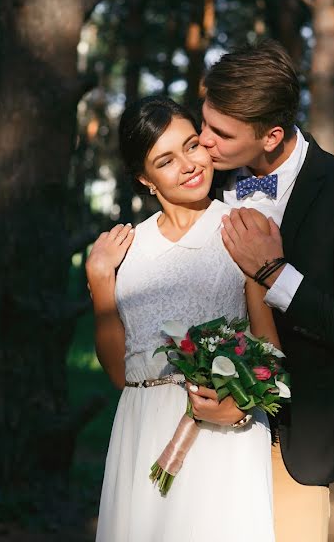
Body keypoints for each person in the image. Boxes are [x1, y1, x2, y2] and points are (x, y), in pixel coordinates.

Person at [187, 39, 334, 542]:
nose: (202, 141)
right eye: (203, 122)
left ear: (272, 135)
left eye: (219, 132)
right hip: (199, 435)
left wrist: (275, 275)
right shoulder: (199, 182)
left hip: (295, 443)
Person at [88, 96, 280, 542]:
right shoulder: (126, 248)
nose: (190, 165)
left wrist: (239, 404)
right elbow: (119, 372)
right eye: (166, 160)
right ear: (144, 177)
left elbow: (269, 348)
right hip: (141, 431)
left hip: (221, 434)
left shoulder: (242, 228)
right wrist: (100, 280)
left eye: (192, 145)